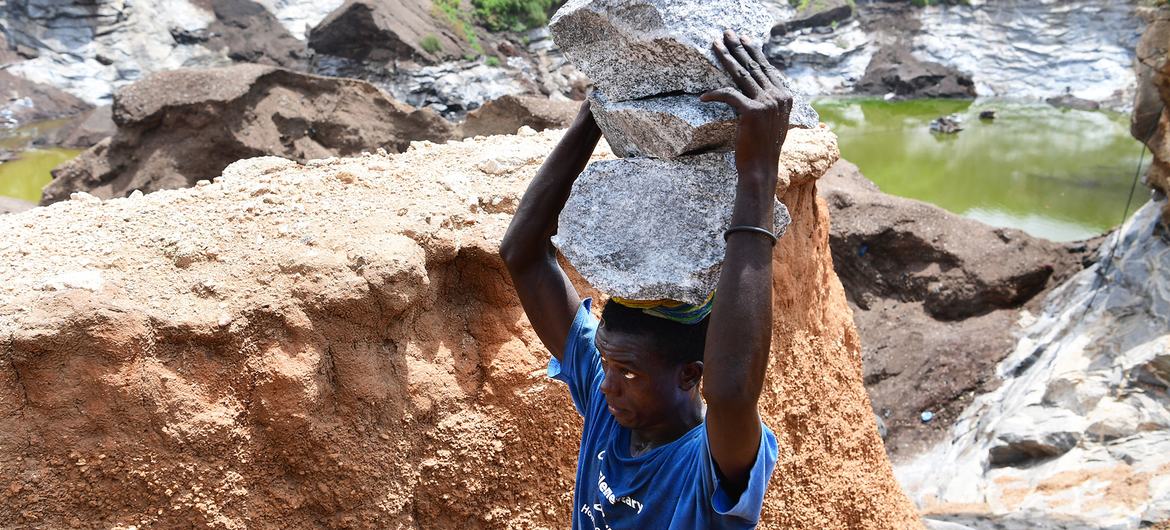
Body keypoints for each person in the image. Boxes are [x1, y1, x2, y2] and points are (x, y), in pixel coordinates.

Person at [499, 29, 791, 529]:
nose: (606, 385)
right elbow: (522, 255)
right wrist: (599, 108)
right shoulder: (609, 400)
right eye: (608, 363)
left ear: (690, 374)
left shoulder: (710, 465)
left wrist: (759, 172)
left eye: (628, 373)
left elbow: (734, 394)